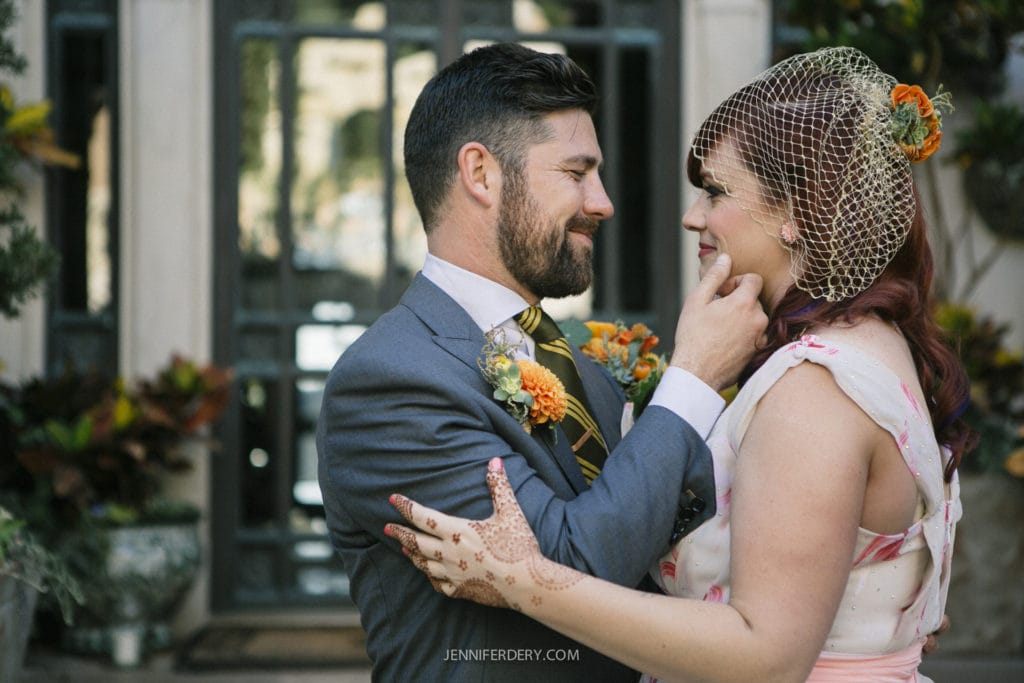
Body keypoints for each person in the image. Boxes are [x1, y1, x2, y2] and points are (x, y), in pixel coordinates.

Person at [385, 46, 976, 682]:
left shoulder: (816, 384)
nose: (692, 216)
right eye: (576, 172)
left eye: (716, 191)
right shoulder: (871, 344)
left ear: (796, 214)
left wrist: (518, 578)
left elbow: (767, 654)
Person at [316, 42, 768, 682]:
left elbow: (656, 524)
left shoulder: (576, 351)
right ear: (481, 174)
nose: (604, 202)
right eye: (576, 172)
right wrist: (691, 378)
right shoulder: (390, 383)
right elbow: (569, 570)